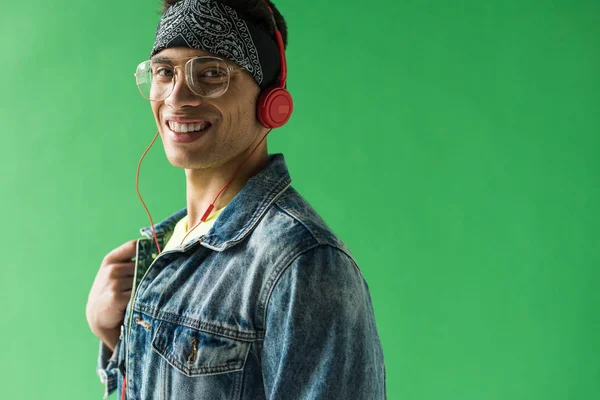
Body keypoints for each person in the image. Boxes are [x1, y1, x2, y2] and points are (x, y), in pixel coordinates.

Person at [86, 0, 386, 398]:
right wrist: (113, 339)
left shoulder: (303, 264)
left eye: (211, 73)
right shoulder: (164, 249)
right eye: (164, 72)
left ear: (270, 100)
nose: (177, 97)